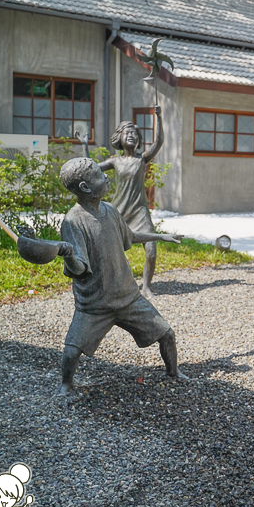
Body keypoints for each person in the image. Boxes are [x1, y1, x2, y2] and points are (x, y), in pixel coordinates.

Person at [56, 157, 185, 396]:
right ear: (85, 187)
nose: (106, 176)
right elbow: (79, 269)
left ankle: (173, 372)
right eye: (99, 175)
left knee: (166, 334)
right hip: (95, 305)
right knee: (72, 350)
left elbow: (130, 237)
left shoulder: (110, 210)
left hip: (128, 297)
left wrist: (160, 237)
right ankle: (66, 385)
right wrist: (68, 256)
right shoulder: (73, 221)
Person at [99, 106, 165, 298]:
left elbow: (159, 141)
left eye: (135, 134)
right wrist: (85, 145)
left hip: (140, 212)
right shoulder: (114, 162)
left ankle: (146, 287)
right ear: (119, 138)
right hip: (118, 211)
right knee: (110, 253)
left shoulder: (142, 159)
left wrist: (159, 117)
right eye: (127, 133)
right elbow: (92, 168)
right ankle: (114, 285)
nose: (131, 136)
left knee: (151, 251)